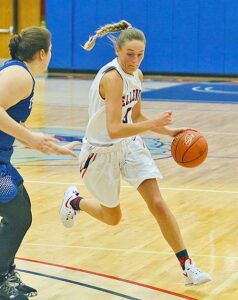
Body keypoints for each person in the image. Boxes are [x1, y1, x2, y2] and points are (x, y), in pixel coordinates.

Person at [60, 20, 211, 287]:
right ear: (118, 50)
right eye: (130, 54)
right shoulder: (112, 78)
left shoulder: (136, 75)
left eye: (140, 54)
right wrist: (155, 124)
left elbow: (137, 115)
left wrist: (172, 132)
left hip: (129, 146)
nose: (135, 59)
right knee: (113, 217)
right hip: (100, 152)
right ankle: (74, 201)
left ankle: (188, 267)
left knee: (158, 204)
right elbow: (114, 129)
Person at [0, 26, 80, 300]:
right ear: (43, 53)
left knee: (21, 211)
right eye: (51, 50)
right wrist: (31, 139)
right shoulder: (20, 75)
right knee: (18, 216)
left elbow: (13, 124)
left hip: (1, 158)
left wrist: (48, 146)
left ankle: (6, 273)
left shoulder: (20, 74)